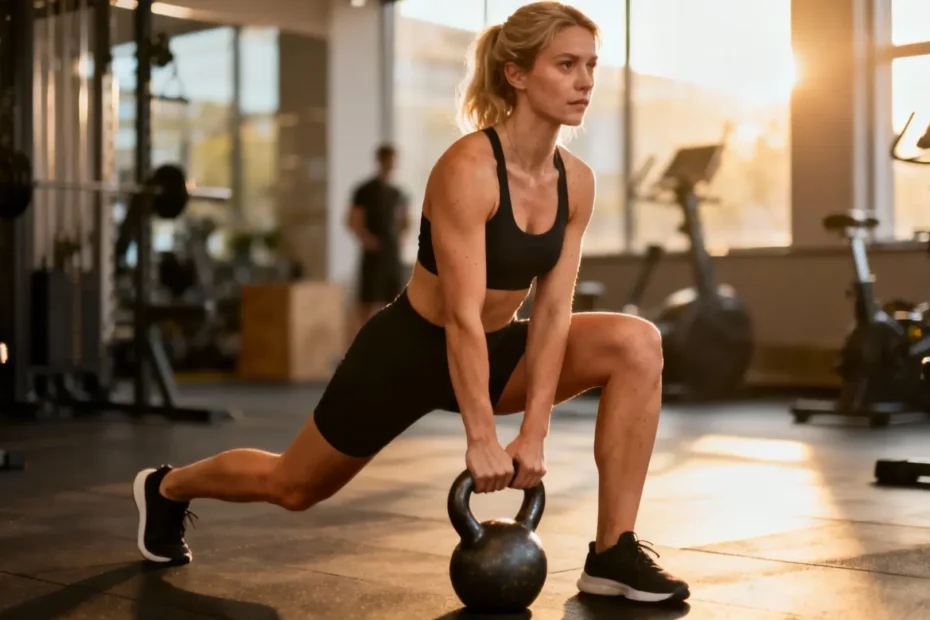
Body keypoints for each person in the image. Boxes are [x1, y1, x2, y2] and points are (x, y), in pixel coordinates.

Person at [132, 1, 689, 605]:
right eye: (565, 64)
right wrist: (481, 437)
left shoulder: (576, 180)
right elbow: (460, 314)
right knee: (293, 486)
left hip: (497, 348)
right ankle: (166, 487)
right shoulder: (468, 168)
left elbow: (553, 312)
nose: (584, 81)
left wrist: (535, 433)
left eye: (590, 65)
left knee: (637, 342)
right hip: (409, 349)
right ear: (518, 74)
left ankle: (612, 552)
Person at [346, 144, 410, 337]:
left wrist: (400, 238)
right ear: (380, 160)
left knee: (393, 299)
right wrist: (367, 240)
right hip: (373, 252)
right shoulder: (365, 190)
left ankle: (390, 342)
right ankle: (363, 343)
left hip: (392, 253)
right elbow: (354, 219)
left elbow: (405, 220)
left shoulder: (399, 193)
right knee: (367, 299)